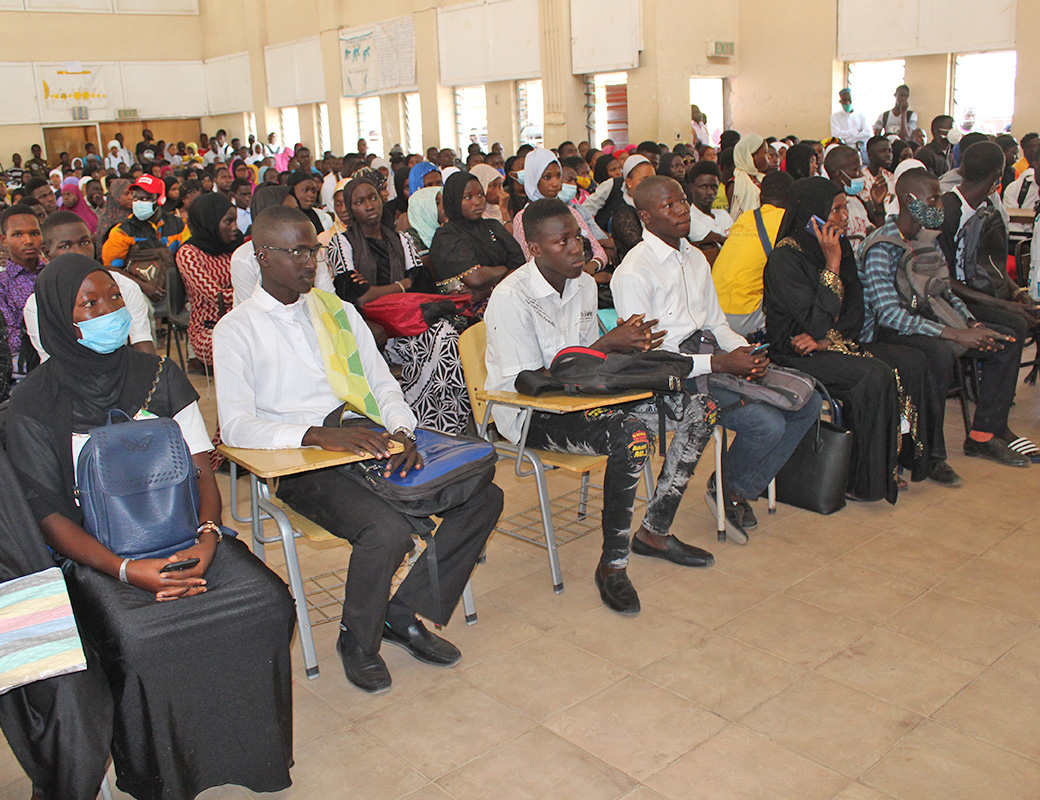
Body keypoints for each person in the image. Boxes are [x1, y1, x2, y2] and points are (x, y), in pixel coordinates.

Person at [8, 255, 295, 798]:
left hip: (186, 533)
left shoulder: (155, 374)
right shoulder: (33, 404)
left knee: (267, 603)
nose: (109, 312)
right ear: (55, 319)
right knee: (139, 637)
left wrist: (208, 539)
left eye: (113, 298)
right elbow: (47, 515)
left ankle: (248, 752)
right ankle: (160, 774)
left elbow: (200, 467)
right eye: (89, 304)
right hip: (94, 555)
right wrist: (126, 569)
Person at [214, 205, 500, 693]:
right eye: (297, 251)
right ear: (262, 256)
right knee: (385, 532)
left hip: (368, 439)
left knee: (483, 497)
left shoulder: (338, 312)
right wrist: (316, 435)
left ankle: (401, 612)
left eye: (316, 250)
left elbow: (383, 384)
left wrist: (404, 431)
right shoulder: (237, 329)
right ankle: (357, 640)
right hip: (303, 463)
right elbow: (236, 426)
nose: (312, 262)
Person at [486, 198, 718, 614]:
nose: (578, 248)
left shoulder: (586, 285)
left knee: (701, 409)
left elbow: (593, 369)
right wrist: (607, 344)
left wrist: (628, 349)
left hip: (584, 397)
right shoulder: (511, 296)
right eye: (563, 242)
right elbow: (531, 382)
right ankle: (612, 565)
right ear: (534, 249)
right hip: (529, 412)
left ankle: (654, 531)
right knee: (630, 437)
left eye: (578, 236)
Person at [613, 176, 819, 539]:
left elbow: (716, 323)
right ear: (645, 217)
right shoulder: (634, 271)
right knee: (766, 422)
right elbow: (651, 360)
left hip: (710, 360)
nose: (682, 211)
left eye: (683, 202)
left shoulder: (693, 257)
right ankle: (730, 487)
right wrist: (722, 364)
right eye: (669, 206)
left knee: (808, 401)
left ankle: (735, 488)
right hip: (670, 380)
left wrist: (744, 350)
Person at [763, 177, 954, 501]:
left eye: (843, 208)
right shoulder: (785, 259)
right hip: (794, 352)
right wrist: (832, 264)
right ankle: (864, 477)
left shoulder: (842, 244)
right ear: (812, 214)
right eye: (836, 210)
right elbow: (813, 321)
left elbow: (856, 310)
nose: (843, 217)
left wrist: (828, 340)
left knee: (914, 360)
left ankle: (914, 457)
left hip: (830, 343)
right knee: (873, 375)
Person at [859, 167, 1029, 469]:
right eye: (934, 201)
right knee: (938, 354)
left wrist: (969, 323)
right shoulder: (881, 246)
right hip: (889, 331)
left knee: (1005, 339)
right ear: (911, 201)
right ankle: (930, 454)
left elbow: (944, 292)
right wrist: (953, 334)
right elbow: (888, 314)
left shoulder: (927, 239)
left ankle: (984, 434)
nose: (940, 208)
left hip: (927, 319)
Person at [335, 176, 470, 433]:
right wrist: (402, 283)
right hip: (376, 333)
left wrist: (380, 289)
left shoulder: (401, 239)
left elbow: (422, 286)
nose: (369, 206)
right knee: (442, 340)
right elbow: (356, 296)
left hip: (410, 321)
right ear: (350, 209)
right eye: (360, 202)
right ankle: (425, 419)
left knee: (448, 337)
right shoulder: (343, 243)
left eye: (373, 198)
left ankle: (446, 422)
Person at [25, 211, 155, 361]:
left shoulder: (123, 287)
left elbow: (142, 343)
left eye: (85, 243)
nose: (79, 252)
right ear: (47, 253)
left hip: (120, 369)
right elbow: (51, 361)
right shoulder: (37, 305)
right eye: (65, 246)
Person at [429, 171, 525, 314]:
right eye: (468, 197)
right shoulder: (446, 236)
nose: (478, 201)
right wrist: (504, 269)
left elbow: (521, 268)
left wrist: (489, 288)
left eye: (480, 194)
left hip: (506, 300)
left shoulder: (493, 227)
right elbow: (476, 278)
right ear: (453, 200)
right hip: (464, 315)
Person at [712, 170, 793, 336]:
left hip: (715, 311)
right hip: (745, 316)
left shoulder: (745, 218)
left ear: (760, 196)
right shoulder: (786, 220)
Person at [233, 185, 335, 305]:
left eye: (296, 211)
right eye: (285, 212)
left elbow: (328, 298)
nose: (293, 218)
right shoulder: (243, 257)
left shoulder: (310, 250)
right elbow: (250, 310)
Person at [510, 148, 608, 270]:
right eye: (547, 177)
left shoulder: (570, 212)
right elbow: (534, 263)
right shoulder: (523, 218)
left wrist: (593, 266)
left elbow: (598, 250)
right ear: (533, 179)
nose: (555, 183)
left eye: (558, 176)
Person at [101, 175, 189, 305]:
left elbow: (188, 256)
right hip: (139, 292)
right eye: (136, 198)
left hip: (175, 287)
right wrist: (144, 287)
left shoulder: (177, 225)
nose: (139, 203)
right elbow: (110, 268)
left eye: (145, 199)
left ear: (160, 199)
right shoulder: (122, 231)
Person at [176, 193, 241, 366]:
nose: (235, 227)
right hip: (209, 327)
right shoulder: (189, 253)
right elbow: (216, 295)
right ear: (209, 222)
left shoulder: (236, 246)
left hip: (242, 319)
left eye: (235, 220)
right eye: (228, 222)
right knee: (242, 346)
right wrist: (252, 294)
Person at [0, 205, 44, 374]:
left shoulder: (52, 273)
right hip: (22, 367)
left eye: (34, 233)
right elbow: (9, 336)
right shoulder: (3, 284)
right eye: (18, 234)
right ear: (4, 240)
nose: (28, 241)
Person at [824, 145, 887, 247]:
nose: (861, 175)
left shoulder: (855, 202)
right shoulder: (827, 206)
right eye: (856, 170)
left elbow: (878, 239)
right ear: (840, 174)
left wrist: (878, 205)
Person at [685, 161, 733, 265]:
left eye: (714, 187)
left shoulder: (723, 214)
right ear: (691, 187)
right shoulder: (689, 217)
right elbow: (716, 239)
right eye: (703, 187)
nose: (709, 192)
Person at [1003, 140, 1039, 242]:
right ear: (1035, 163)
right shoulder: (1016, 189)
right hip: (1023, 244)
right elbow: (1012, 223)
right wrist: (1026, 245)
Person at [730, 134, 770, 220]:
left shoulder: (763, 178)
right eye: (766, 153)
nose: (769, 157)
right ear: (751, 156)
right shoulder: (735, 183)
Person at [402, 185, 443, 269]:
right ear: (422, 208)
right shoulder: (410, 239)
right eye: (437, 203)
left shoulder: (450, 229)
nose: (444, 207)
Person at [830, 89, 872, 162]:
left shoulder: (861, 115)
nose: (847, 103)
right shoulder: (835, 116)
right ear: (840, 102)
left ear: (853, 99)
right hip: (843, 150)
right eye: (844, 100)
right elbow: (836, 135)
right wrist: (855, 133)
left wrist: (848, 139)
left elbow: (868, 134)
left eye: (849, 100)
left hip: (861, 150)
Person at [862, 135, 896, 211]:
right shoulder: (861, 179)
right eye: (883, 151)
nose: (888, 155)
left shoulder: (891, 177)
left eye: (890, 151)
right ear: (870, 155)